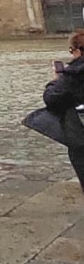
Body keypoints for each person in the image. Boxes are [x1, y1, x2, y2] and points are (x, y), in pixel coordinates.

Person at [43, 29, 84, 193]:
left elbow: (52, 99)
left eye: (71, 51)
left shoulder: (74, 74)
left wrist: (56, 81)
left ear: (78, 51)